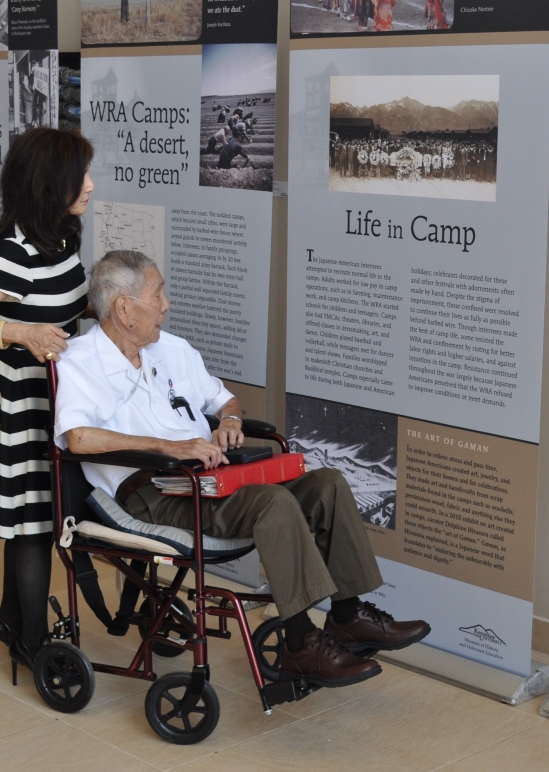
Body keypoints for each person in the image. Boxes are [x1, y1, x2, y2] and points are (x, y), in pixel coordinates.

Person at [54, 251, 430, 687]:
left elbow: (223, 400)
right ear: (123, 308)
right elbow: (79, 438)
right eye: (158, 294)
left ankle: (347, 617)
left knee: (327, 483)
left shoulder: (170, 350)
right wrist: (168, 445)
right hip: (154, 491)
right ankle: (299, 644)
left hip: (207, 478)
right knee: (272, 502)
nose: (166, 305)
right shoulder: (80, 359)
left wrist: (230, 420)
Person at [0, 128, 94, 674]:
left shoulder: (62, 238)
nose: (91, 186)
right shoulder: (13, 250)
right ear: (51, 181)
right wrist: (22, 333)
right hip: (18, 405)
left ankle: (11, 619)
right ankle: (31, 643)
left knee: (38, 513)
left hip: (55, 397)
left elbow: (70, 305)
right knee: (32, 519)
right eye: (82, 176)